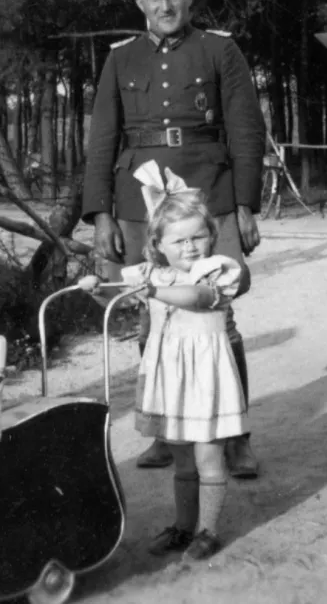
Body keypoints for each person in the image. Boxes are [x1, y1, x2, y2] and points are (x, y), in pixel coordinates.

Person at [81, 0, 266, 478]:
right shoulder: (120, 58)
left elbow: (245, 130)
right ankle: (165, 432)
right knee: (152, 315)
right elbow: (102, 142)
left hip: (209, 193)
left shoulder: (220, 50)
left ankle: (235, 437)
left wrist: (246, 204)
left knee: (218, 316)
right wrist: (100, 216)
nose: (166, 5)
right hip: (138, 204)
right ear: (139, 2)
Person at [78, 161, 247, 560]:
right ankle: (183, 526)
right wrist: (95, 287)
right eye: (179, 241)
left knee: (208, 457)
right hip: (171, 379)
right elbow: (115, 293)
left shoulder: (216, 271)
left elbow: (198, 299)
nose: (190, 248)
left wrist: (151, 290)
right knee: (183, 462)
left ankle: (207, 530)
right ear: (158, 245)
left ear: (211, 237)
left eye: (198, 237)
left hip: (206, 379)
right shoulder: (152, 274)